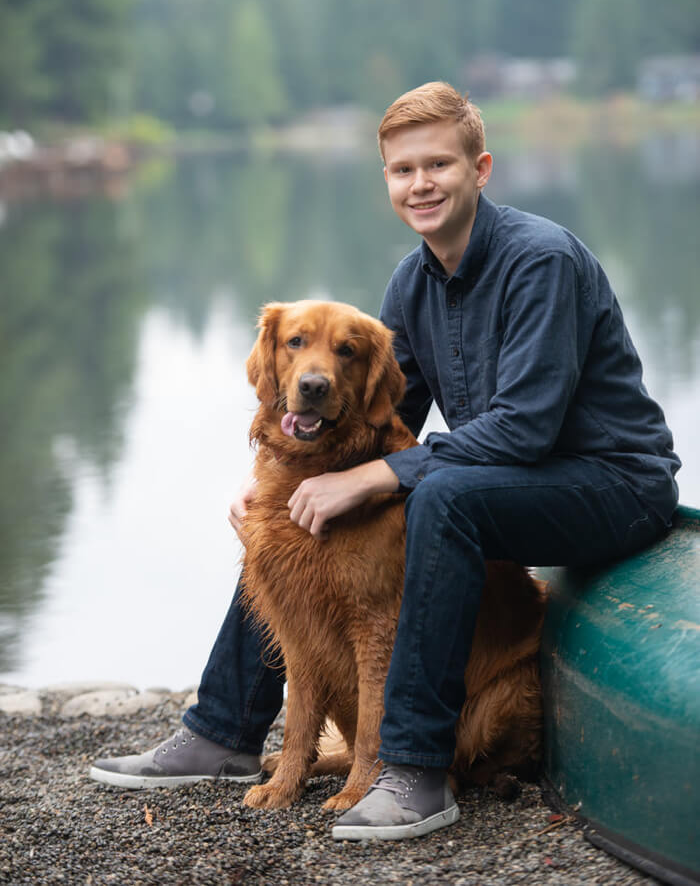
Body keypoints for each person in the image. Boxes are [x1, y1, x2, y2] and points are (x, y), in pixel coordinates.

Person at [90, 82, 680, 841]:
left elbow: (525, 429)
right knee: (296, 516)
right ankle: (223, 730)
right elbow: (379, 421)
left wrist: (376, 477)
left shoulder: (542, 262)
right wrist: (277, 483)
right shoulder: (412, 281)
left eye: (440, 164)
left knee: (440, 498)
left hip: (610, 484)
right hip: (511, 481)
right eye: (403, 170)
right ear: (388, 183)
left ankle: (413, 772)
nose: (421, 183)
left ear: (481, 168)